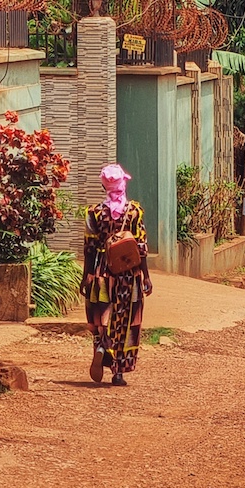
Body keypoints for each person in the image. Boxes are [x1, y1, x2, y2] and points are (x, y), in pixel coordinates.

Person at [81, 164, 152, 386]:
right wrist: (146, 276)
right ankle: (118, 372)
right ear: (123, 183)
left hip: (102, 270)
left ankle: (103, 347)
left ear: (104, 186)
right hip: (128, 274)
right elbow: (141, 247)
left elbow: (89, 248)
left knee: (102, 316)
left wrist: (86, 276)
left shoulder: (94, 213)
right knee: (126, 320)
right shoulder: (134, 212)